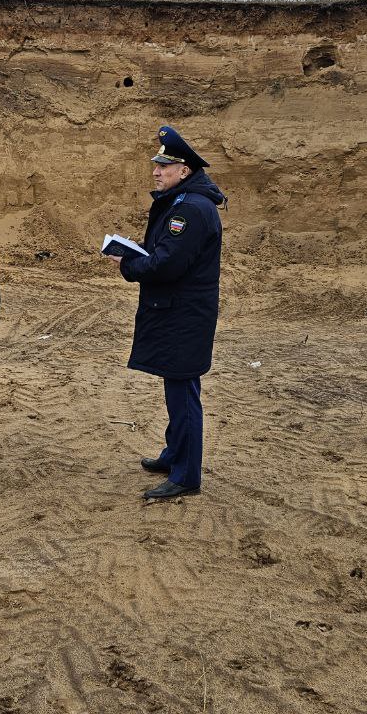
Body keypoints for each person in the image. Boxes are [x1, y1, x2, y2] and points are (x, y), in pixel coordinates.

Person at [106, 125, 225, 499]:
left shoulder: (189, 208)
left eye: (164, 166)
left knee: (182, 391)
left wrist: (128, 264)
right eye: (156, 165)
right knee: (177, 387)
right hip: (179, 312)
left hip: (183, 315)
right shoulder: (182, 203)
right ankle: (174, 454)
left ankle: (186, 475)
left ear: (184, 171)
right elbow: (165, 249)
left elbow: (167, 264)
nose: (156, 171)